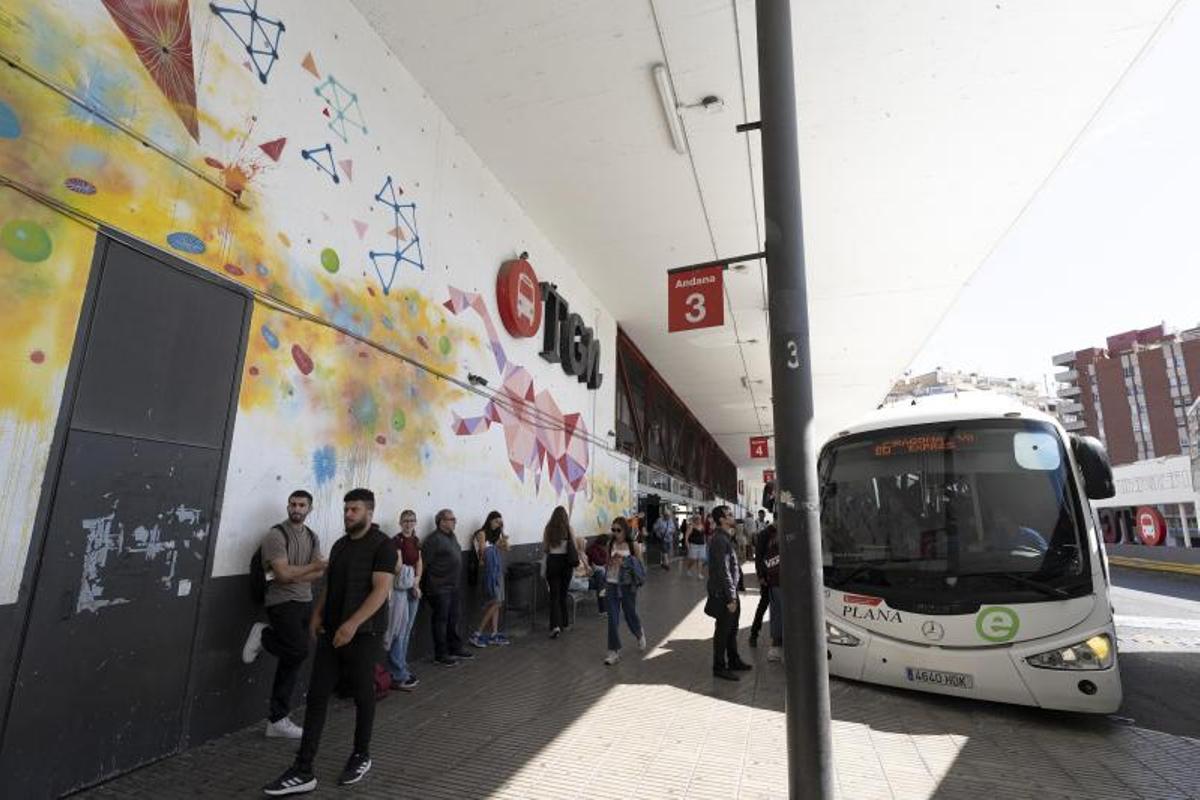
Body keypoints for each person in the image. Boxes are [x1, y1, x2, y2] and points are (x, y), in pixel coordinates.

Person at [263, 488, 396, 796]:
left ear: (369, 513)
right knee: (318, 695)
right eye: (346, 509)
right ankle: (303, 768)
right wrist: (318, 614)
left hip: (364, 634)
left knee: (364, 694)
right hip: (331, 633)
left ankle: (361, 754)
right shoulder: (339, 545)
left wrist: (352, 624)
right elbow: (330, 584)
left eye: (355, 510)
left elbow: (380, 590)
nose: (348, 514)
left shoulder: (383, 546)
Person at [242, 490, 327, 740]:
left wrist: (298, 572)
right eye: (293, 504)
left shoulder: (312, 536)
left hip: (304, 600)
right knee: (299, 650)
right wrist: (312, 566)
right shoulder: (275, 535)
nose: (296, 509)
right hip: (281, 601)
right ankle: (263, 633)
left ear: (309, 509)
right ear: (287, 506)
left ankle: (277, 719)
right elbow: (281, 575)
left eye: (302, 505)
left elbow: (316, 576)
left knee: (292, 660)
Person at [422, 509, 476, 666]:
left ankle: (455, 648)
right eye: (451, 519)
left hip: (453, 586)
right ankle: (441, 654)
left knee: (454, 618)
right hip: (439, 588)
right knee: (441, 621)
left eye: (454, 518)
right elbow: (424, 564)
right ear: (441, 521)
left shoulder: (452, 536)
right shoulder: (433, 540)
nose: (454, 521)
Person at [707, 505, 752, 681]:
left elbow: (732, 568)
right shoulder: (719, 540)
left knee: (732, 629)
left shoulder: (725, 538)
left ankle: (733, 660)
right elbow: (722, 570)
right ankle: (719, 666)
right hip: (724, 594)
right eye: (729, 514)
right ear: (721, 520)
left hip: (730, 591)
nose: (733, 517)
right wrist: (731, 597)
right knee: (723, 630)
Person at [386, 509, 422, 691]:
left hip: (412, 589)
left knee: (407, 630)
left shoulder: (415, 540)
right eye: (405, 520)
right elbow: (398, 567)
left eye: (412, 520)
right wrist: (410, 581)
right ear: (400, 522)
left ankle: (403, 667)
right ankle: (397, 673)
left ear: (415, 523)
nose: (408, 523)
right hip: (400, 589)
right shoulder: (396, 541)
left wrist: (416, 584)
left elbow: (419, 562)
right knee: (398, 632)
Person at [603, 516, 646, 665]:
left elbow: (640, 567)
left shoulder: (633, 545)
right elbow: (606, 564)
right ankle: (613, 651)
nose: (615, 533)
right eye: (613, 530)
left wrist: (624, 561)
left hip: (627, 586)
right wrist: (611, 561)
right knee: (612, 619)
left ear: (625, 530)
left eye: (618, 530)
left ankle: (639, 633)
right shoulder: (610, 544)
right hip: (611, 584)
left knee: (629, 614)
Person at [469, 511, 511, 647]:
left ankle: (494, 633)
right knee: (496, 602)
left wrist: (503, 533)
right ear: (490, 520)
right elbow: (482, 552)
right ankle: (477, 633)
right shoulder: (482, 533)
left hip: (497, 570)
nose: (497, 524)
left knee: (497, 603)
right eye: (496, 521)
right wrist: (495, 547)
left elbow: (507, 548)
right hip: (487, 572)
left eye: (500, 522)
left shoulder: (496, 536)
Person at [542, 505, 580, 638]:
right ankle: (565, 623)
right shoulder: (569, 529)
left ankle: (555, 626)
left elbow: (545, 548)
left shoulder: (548, 528)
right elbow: (575, 546)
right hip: (566, 564)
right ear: (565, 516)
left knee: (554, 596)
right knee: (563, 595)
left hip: (553, 563)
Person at [760, 524, 784, 663]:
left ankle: (777, 646)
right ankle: (776, 646)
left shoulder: (776, 542)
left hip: (779, 585)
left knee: (778, 614)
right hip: (778, 585)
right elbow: (768, 564)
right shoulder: (775, 544)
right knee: (778, 615)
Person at [749, 518, 773, 648]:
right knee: (763, 605)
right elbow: (758, 557)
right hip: (768, 578)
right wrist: (760, 576)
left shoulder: (787, 532)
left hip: (782, 578)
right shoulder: (764, 534)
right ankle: (754, 634)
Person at [570, 535, 607, 613]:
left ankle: (604, 607)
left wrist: (589, 570)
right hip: (579, 580)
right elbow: (575, 574)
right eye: (583, 544)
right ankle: (603, 608)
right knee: (602, 581)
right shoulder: (574, 557)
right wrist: (587, 571)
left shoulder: (583, 555)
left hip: (586, 577)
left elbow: (589, 569)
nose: (585, 546)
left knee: (601, 574)